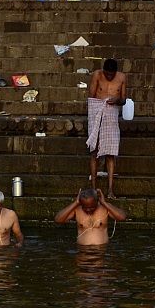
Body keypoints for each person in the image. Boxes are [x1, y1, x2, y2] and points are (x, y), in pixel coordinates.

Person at [87, 59, 126, 198]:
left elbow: (123, 100)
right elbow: (91, 98)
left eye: (111, 74)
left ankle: (110, 190)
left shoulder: (121, 78)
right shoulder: (97, 75)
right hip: (97, 112)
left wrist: (116, 100)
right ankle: (93, 188)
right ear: (103, 71)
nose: (109, 77)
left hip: (111, 114)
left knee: (111, 153)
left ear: (115, 72)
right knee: (94, 151)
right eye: (107, 74)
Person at [54, 188, 127, 246]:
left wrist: (104, 203)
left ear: (97, 201)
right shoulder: (76, 210)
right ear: (81, 203)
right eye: (85, 207)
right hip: (82, 250)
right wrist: (75, 203)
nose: (88, 210)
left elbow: (122, 217)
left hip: (101, 250)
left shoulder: (105, 208)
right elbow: (58, 219)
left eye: (91, 207)